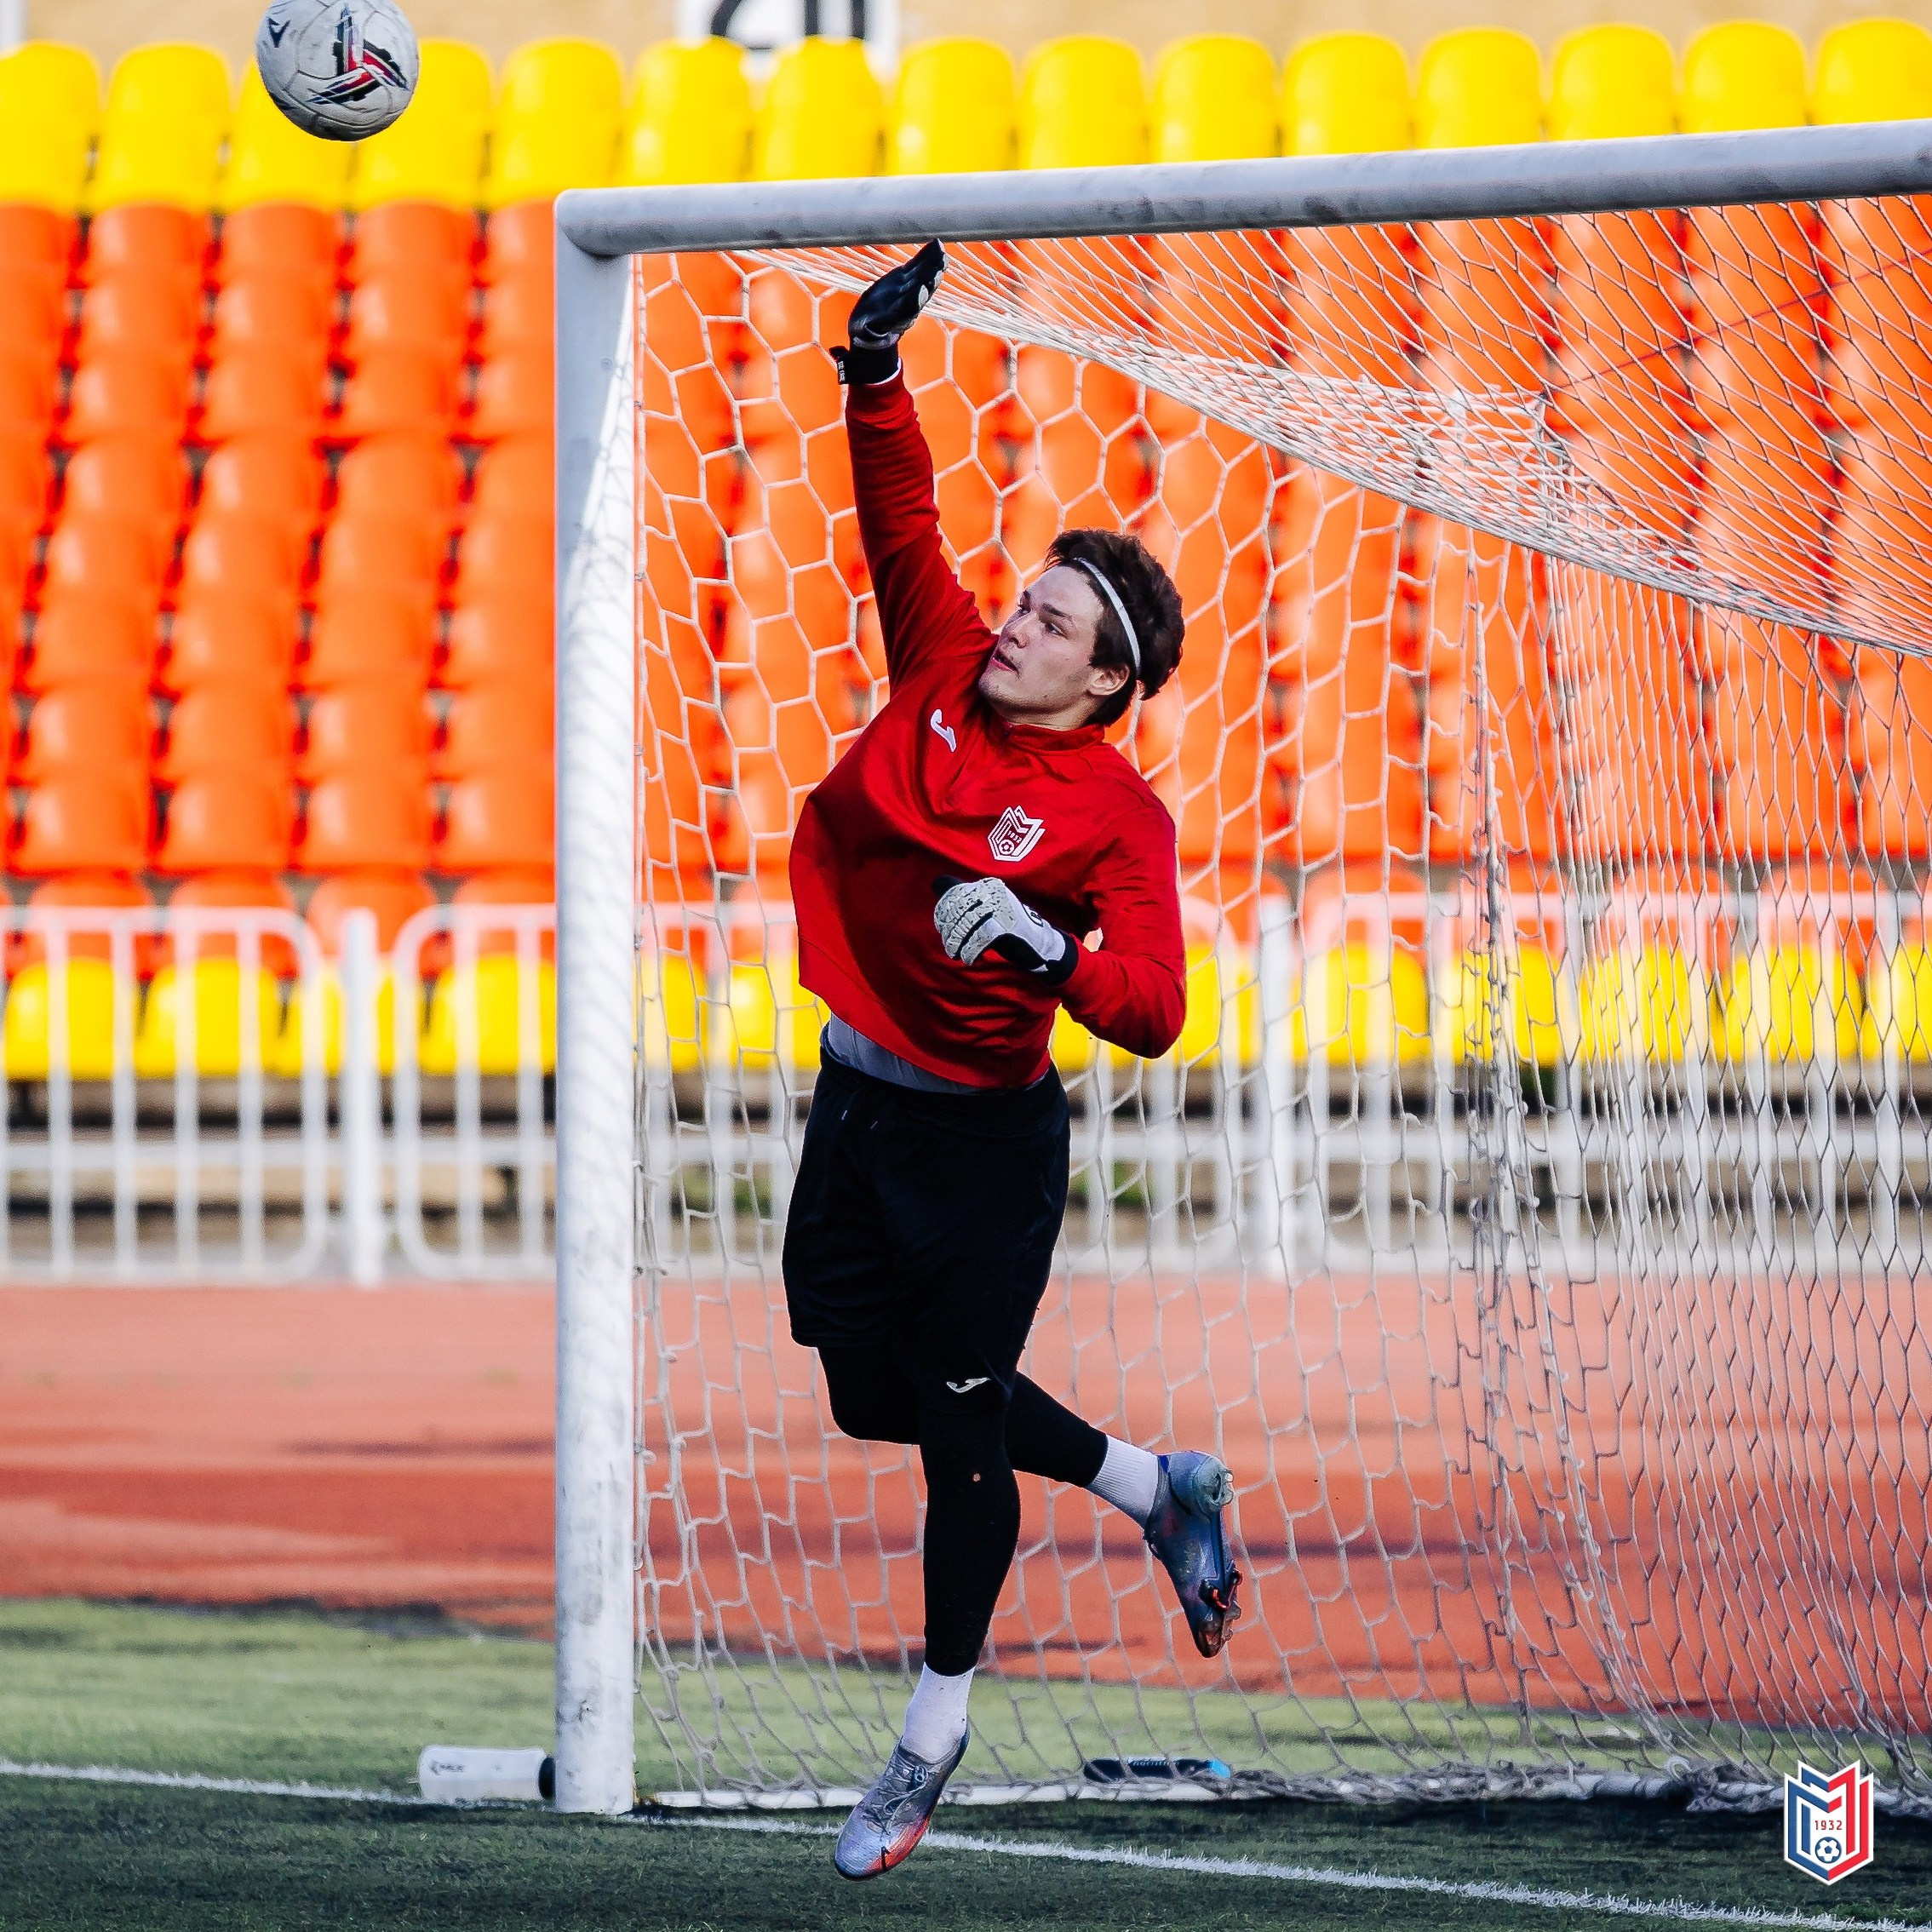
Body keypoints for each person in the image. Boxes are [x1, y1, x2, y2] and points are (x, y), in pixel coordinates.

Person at [781, 241, 1242, 1883]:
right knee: (864, 1393)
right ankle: (1152, 1480)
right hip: (857, 1103)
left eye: (1052, 622)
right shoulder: (937, 661)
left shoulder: (1120, 820)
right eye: (1027, 597)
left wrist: (1047, 952)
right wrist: (874, 369)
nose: (1017, 621)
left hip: (982, 1151)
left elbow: (1152, 1002)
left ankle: (928, 1736)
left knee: (957, 1432)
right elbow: (896, 515)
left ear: (1104, 681)